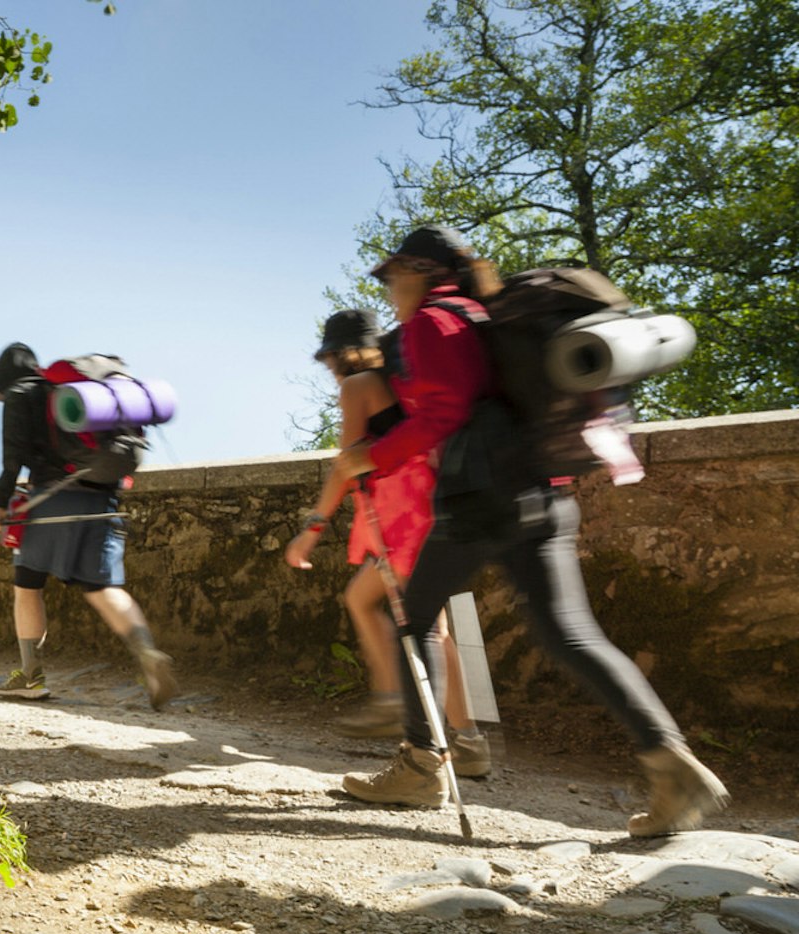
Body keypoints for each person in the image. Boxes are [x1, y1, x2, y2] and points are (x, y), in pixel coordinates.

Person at [330, 225, 727, 836]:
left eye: (391, 277)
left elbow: (446, 410)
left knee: (413, 618)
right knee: (570, 632)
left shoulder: (434, 322)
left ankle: (419, 766)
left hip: (480, 495)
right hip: (542, 490)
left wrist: (369, 458)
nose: (388, 291)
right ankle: (671, 763)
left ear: (419, 271)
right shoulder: (485, 315)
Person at [286, 309, 490, 778]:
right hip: (429, 505)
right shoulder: (404, 383)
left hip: (404, 518)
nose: (329, 367)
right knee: (366, 599)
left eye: (329, 358)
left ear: (339, 354)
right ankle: (425, 715)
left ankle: (443, 728)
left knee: (430, 627)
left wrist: (311, 530)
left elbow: (347, 464)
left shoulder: (357, 387)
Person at [0, 342, 179, 709]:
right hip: (103, 498)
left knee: (27, 585)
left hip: (52, 500)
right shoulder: (65, 394)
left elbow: (12, 463)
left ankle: (29, 675)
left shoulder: (22, 394)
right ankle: (148, 655)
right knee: (102, 587)